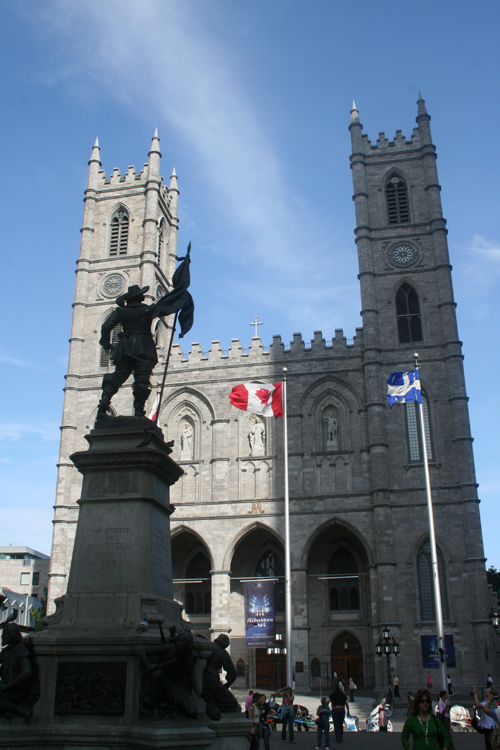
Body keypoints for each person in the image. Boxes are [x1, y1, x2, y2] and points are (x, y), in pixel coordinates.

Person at [97, 250, 193, 419]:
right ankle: (139, 411)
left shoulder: (121, 311)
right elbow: (165, 307)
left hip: (125, 347)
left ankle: (103, 403)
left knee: (119, 376)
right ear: (140, 298)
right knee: (142, 379)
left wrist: (106, 343)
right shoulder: (147, 309)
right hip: (143, 348)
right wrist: (180, 296)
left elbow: (106, 327)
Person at [473, 686, 499, 750]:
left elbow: (478, 705)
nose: (485, 691)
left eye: (487, 691)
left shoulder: (490, 702)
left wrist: (475, 694)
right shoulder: (490, 702)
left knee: (489, 746)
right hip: (489, 725)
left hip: (489, 726)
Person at [328, 678, 350, 744]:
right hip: (341, 709)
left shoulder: (332, 694)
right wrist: (348, 711)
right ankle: (341, 735)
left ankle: (338, 738)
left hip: (335, 709)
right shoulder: (342, 694)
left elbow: (328, 701)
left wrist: (326, 706)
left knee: (336, 724)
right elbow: (346, 703)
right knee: (340, 723)